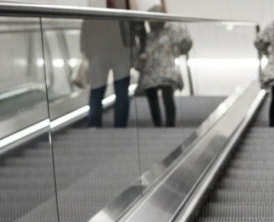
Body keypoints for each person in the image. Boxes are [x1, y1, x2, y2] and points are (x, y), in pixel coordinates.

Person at [80, 0, 144, 128]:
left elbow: (85, 31)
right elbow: (136, 27)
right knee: (121, 92)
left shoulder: (93, 11)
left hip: (98, 55)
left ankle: (94, 125)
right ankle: (120, 125)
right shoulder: (122, 10)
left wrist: (86, 51)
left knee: (97, 91)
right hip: (121, 54)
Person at [136, 5, 192, 127]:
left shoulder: (170, 32)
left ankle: (169, 124)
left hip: (165, 72)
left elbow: (185, 44)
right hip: (151, 73)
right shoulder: (148, 36)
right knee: (154, 98)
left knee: (167, 97)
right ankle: (158, 124)